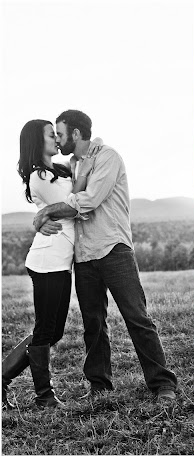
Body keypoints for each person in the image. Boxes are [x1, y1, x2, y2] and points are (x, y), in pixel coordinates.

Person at [32, 110, 178, 402]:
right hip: (83, 256)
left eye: (60, 134)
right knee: (93, 324)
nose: (58, 140)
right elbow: (49, 193)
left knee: (136, 317)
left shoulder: (107, 157)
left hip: (113, 248)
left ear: (75, 134)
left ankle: (163, 384)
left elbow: (88, 200)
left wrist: (46, 212)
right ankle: (99, 385)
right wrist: (40, 216)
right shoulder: (72, 165)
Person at [2, 119, 97, 409]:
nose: (56, 138)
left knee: (53, 331)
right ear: (36, 141)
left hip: (60, 259)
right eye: (50, 135)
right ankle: (45, 396)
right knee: (46, 329)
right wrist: (87, 166)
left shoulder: (59, 170)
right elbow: (72, 205)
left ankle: (3, 377)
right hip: (47, 261)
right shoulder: (39, 176)